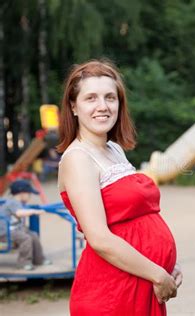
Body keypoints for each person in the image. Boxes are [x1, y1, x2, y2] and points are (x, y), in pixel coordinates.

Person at [56, 60, 182, 315]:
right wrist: (157, 273)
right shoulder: (78, 158)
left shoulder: (113, 149)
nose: (103, 106)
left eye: (110, 98)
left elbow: (137, 216)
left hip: (139, 280)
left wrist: (165, 263)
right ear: (73, 106)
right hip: (112, 293)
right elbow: (100, 238)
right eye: (91, 98)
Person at [0, 179, 51, 270]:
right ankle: (23, 263)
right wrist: (34, 211)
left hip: (14, 229)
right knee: (26, 238)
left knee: (33, 235)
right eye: (29, 194)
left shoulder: (18, 202)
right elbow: (19, 213)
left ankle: (39, 259)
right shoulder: (13, 202)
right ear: (22, 193)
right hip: (5, 232)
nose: (30, 196)